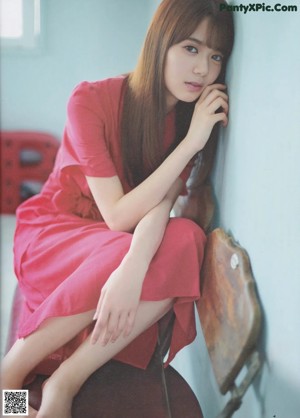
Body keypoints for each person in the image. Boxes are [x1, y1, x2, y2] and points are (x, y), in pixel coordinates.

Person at [1, 0, 234, 417]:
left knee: (188, 239)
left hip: (115, 243)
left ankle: (64, 382)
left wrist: (134, 269)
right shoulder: (90, 101)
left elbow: (160, 209)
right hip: (57, 230)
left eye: (216, 56)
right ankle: (10, 378)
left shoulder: (186, 123)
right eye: (191, 48)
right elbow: (117, 216)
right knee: (122, 247)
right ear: (160, 42)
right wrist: (190, 145)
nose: (203, 69)